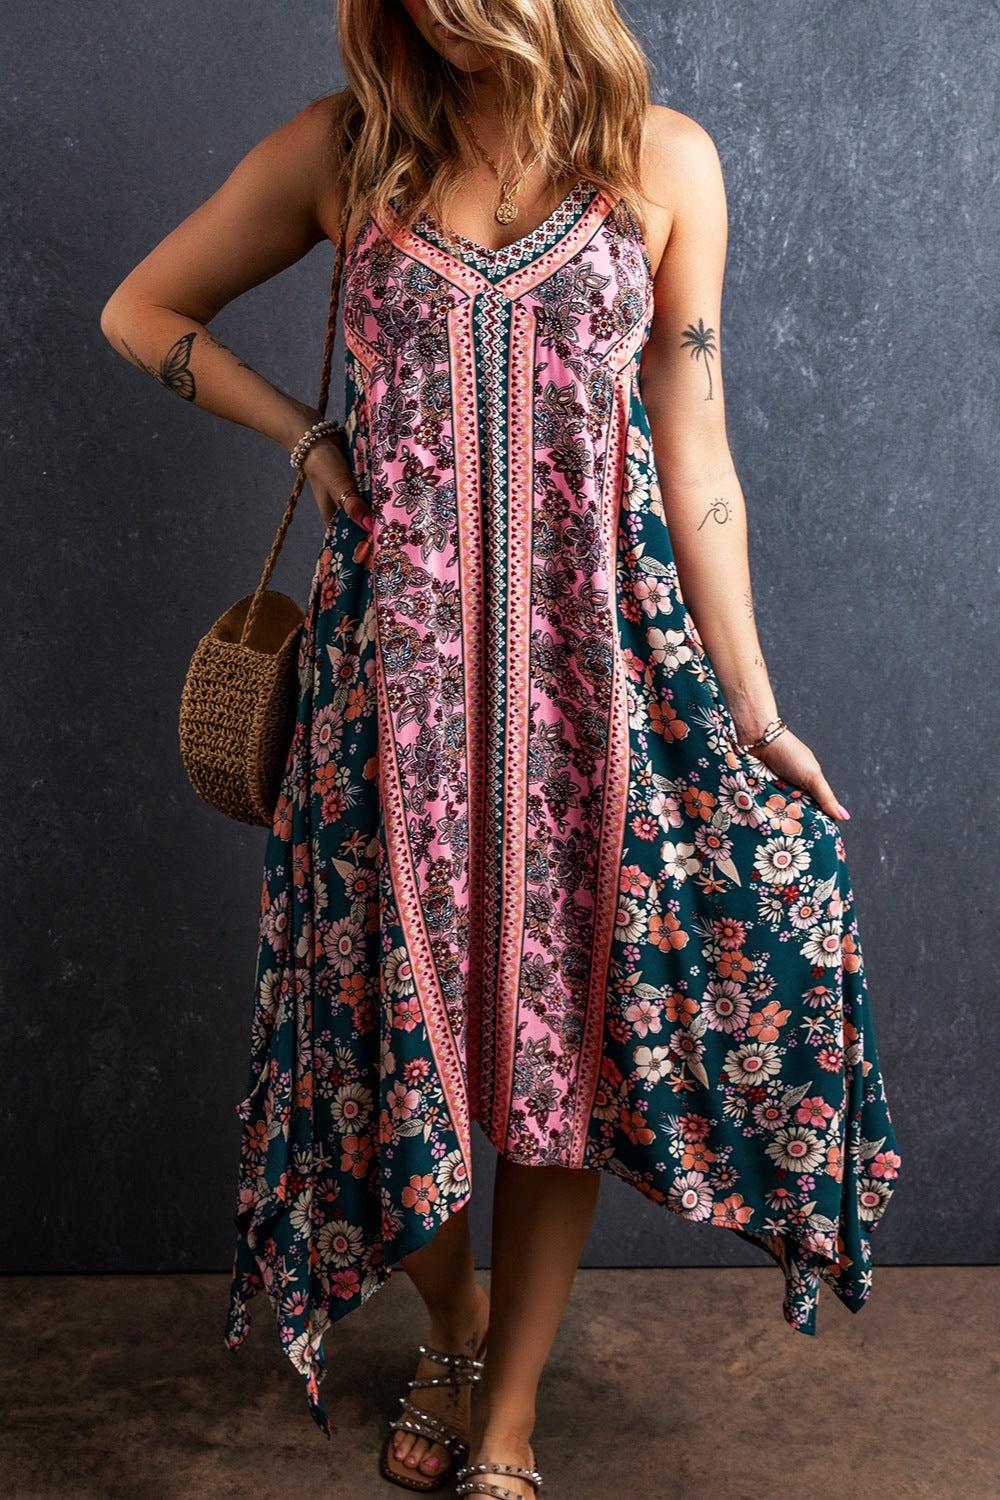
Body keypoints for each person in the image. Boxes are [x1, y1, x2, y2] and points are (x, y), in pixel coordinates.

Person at [99, 2, 903, 1496]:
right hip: (384, 688)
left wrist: (757, 705)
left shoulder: (661, 163)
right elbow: (142, 310)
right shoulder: (350, 153)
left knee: (557, 1039)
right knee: (380, 1037)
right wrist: (304, 436)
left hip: (588, 681)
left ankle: (510, 1414)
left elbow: (697, 436)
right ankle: (453, 1320)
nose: (449, 17)